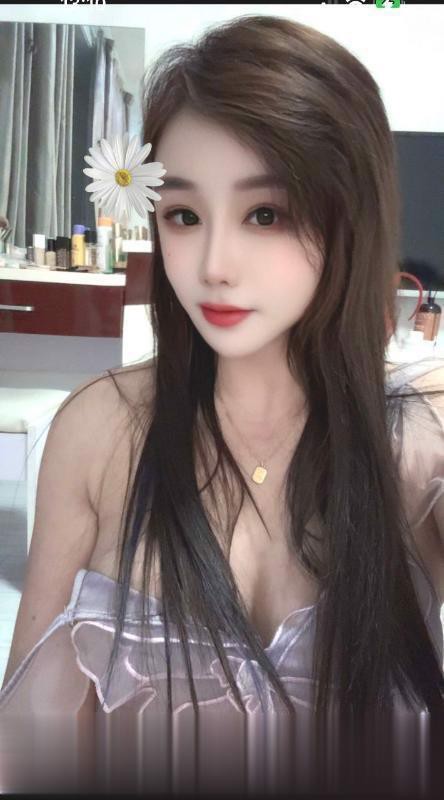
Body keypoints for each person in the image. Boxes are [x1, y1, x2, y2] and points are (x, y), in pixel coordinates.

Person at [1, 13, 444, 796]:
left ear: (351, 215)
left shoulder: (417, 443)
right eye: (184, 215)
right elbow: (26, 748)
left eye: (265, 213)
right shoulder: (100, 433)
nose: (213, 265)